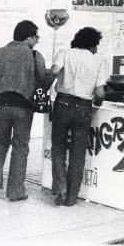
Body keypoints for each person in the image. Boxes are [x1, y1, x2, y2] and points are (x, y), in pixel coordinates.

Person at [0, 20, 49, 201]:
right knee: (20, 147)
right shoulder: (35, 56)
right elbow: (44, 82)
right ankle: (15, 191)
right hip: (24, 107)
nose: (37, 41)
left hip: (4, 105)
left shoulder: (0, 52)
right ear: (28, 36)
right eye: (36, 37)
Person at [49, 27, 107, 206]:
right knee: (78, 151)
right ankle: (71, 197)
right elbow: (100, 93)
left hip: (63, 104)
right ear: (91, 44)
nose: (97, 48)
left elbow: (54, 71)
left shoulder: (64, 53)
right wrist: (97, 103)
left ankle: (60, 188)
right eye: (96, 44)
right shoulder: (98, 61)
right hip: (83, 107)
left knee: (58, 147)